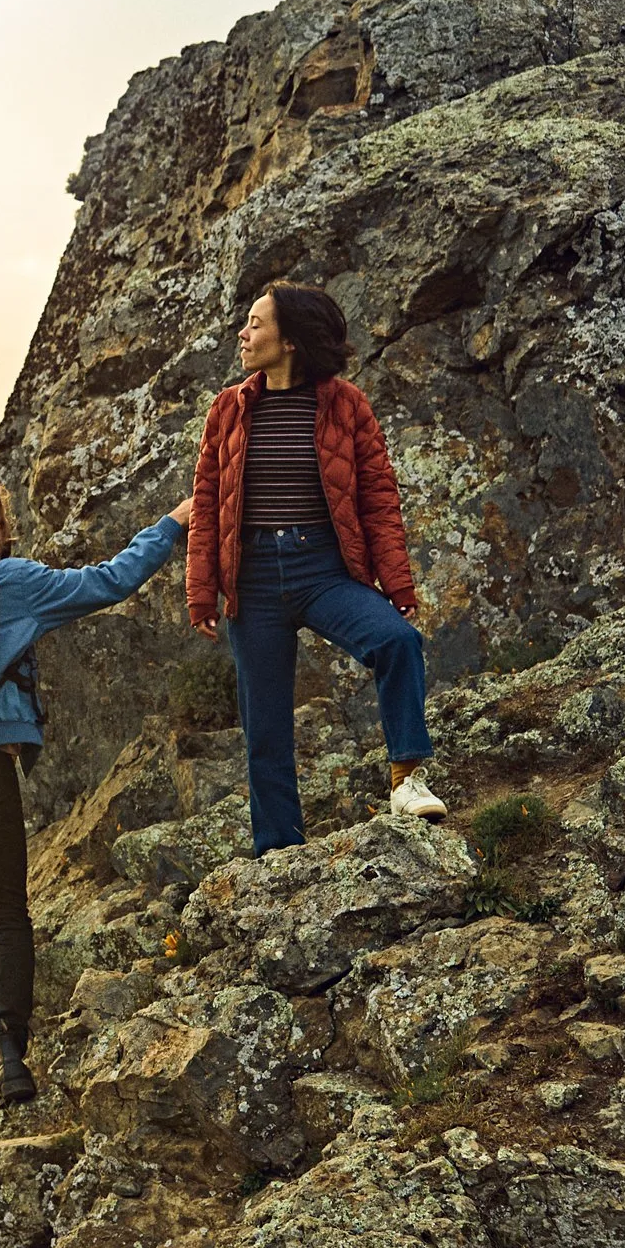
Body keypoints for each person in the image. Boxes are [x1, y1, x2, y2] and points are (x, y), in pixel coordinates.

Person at [0, 480, 190, 1107]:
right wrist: (173, 524)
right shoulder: (14, 579)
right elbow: (110, 582)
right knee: (8, 912)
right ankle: (11, 1053)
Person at [186, 280, 446, 858]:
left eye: (256, 323)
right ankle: (278, 850)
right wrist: (203, 592)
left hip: (323, 568)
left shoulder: (346, 403)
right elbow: (207, 504)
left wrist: (396, 582)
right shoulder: (228, 408)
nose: (243, 333)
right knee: (265, 729)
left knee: (397, 641)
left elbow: (379, 496)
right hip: (252, 580)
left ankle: (407, 781)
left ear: (292, 339)